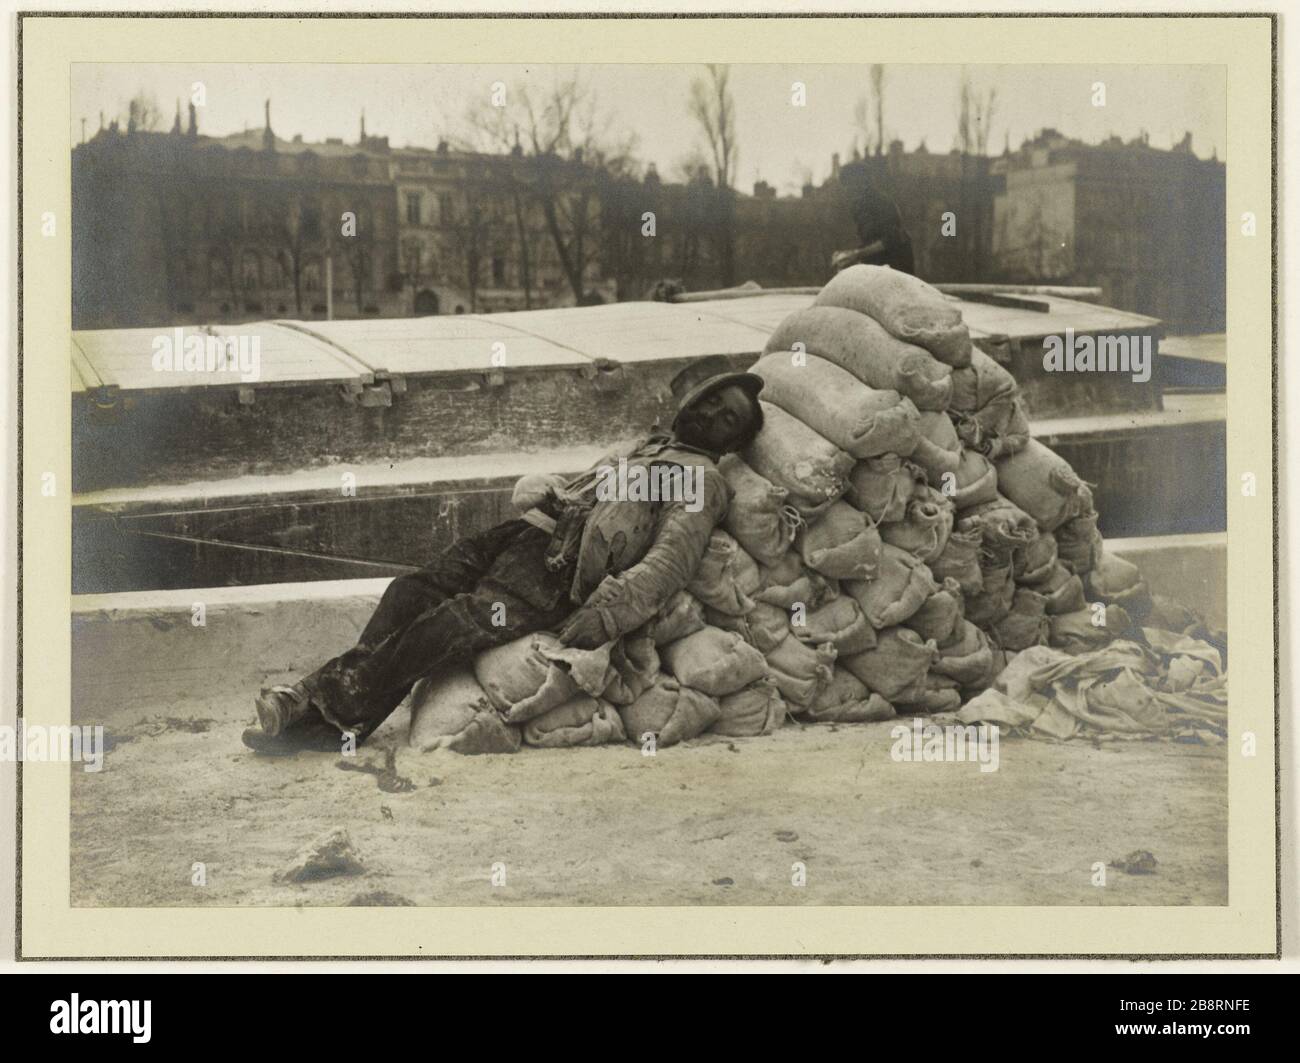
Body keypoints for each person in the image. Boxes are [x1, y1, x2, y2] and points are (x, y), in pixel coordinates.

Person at [241, 355, 765, 754]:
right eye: (710, 400)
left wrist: (606, 613)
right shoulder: (647, 449)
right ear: (688, 402)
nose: (713, 412)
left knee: (448, 626)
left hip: (554, 573)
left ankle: (316, 704)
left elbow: (671, 559)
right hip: (524, 535)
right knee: (410, 591)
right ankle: (330, 714)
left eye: (729, 418)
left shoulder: (700, 478)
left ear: (733, 440)